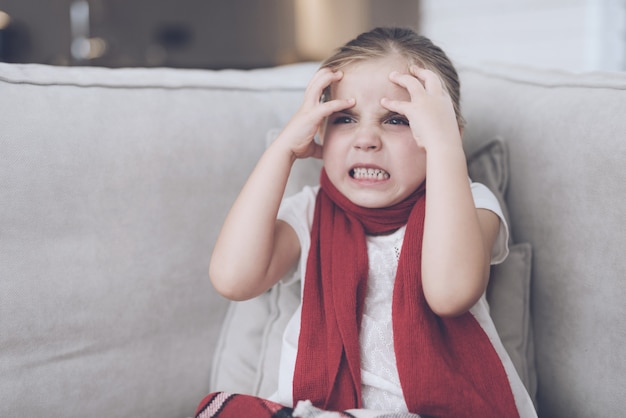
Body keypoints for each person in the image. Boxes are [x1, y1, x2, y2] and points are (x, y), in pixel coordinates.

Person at [197, 27, 537, 418]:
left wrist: (445, 149)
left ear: (444, 136)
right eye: (345, 118)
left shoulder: (469, 203)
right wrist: (282, 151)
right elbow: (233, 278)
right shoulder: (310, 212)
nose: (367, 139)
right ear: (320, 132)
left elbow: (450, 293)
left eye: (396, 120)